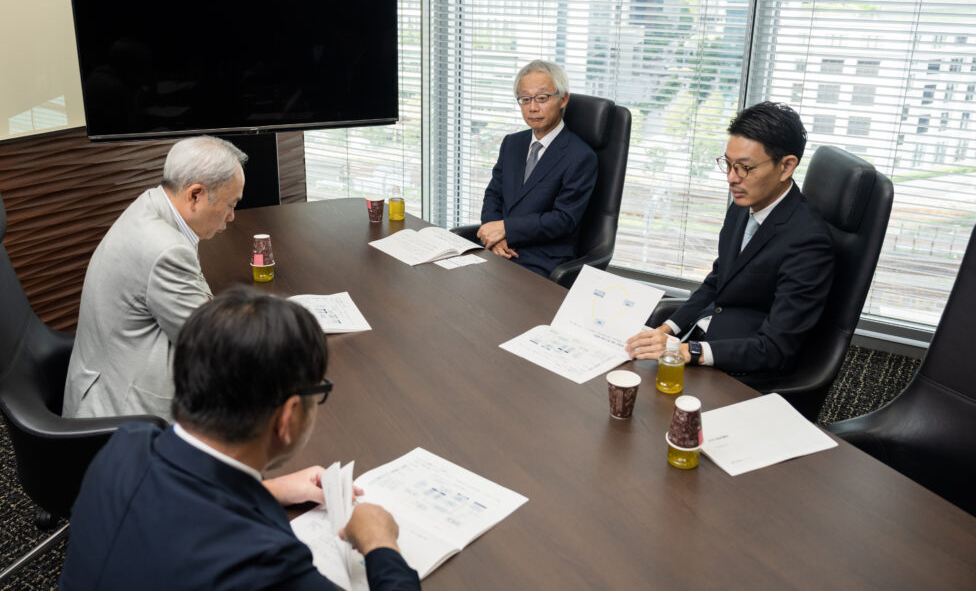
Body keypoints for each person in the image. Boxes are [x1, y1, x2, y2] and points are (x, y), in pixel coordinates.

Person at [59, 286, 421, 590]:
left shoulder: (127, 444)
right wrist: (379, 542)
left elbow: (178, 507)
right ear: (287, 416)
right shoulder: (264, 565)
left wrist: (270, 490)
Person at [625, 102, 834, 378]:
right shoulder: (743, 204)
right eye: (728, 164)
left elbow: (775, 348)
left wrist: (690, 351)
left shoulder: (809, 242)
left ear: (786, 167)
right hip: (703, 338)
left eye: (745, 168)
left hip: (741, 368)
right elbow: (718, 279)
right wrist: (667, 329)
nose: (731, 179)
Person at [63, 135, 247, 420]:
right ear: (195, 195)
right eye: (230, 205)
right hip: (120, 411)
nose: (232, 216)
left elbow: (199, 294)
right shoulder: (166, 248)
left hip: (109, 368)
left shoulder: (155, 204)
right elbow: (210, 346)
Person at [478, 60, 598, 277]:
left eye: (542, 98)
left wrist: (506, 230)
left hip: (541, 259)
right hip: (499, 248)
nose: (533, 107)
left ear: (563, 99)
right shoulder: (511, 143)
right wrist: (494, 235)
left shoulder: (581, 156)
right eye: (525, 99)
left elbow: (563, 219)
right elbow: (493, 195)